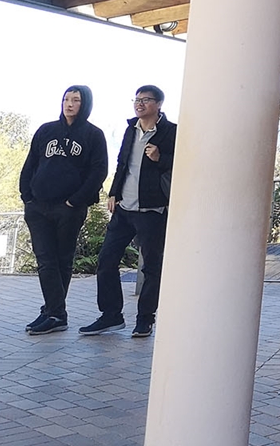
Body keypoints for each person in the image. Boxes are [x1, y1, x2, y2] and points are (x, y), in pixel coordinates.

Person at [79, 85, 176, 338]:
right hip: (124, 208)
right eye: (137, 99)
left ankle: (145, 319)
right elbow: (123, 162)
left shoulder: (171, 132)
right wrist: (114, 193)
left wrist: (160, 158)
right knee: (107, 261)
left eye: (146, 100)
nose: (139, 104)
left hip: (152, 209)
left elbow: (183, 164)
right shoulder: (130, 129)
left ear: (158, 104)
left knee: (151, 267)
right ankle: (111, 315)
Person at [19, 85, 108, 335]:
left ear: (85, 104)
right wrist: (27, 197)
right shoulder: (46, 130)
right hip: (39, 206)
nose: (69, 104)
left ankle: (54, 312)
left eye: (76, 100)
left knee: (61, 260)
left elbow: (98, 171)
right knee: (45, 259)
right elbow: (30, 165)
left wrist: (75, 201)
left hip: (69, 208)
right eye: (66, 99)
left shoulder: (93, 135)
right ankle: (54, 311)